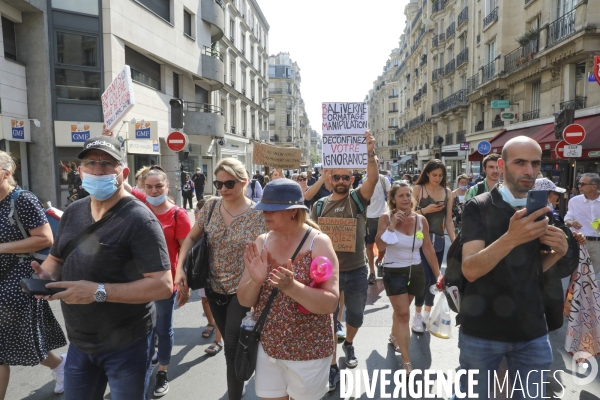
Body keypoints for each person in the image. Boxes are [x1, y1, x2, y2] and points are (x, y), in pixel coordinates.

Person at [32, 136, 173, 399]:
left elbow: (163, 286)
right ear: (81, 170)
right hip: (80, 341)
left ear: (124, 172)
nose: (98, 170)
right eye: (91, 163)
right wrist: (46, 277)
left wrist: (98, 291)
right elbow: (57, 259)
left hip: (127, 344)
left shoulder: (140, 220)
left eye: (108, 164)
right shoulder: (73, 212)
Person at [455, 136, 569, 399]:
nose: (529, 171)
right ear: (501, 165)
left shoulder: (541, 210)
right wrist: (511, 237)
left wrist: (557, 253)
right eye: (520, 162)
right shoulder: (479, 206)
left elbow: (532, 268)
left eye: (535, 163)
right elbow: (470, 269)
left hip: (532, 333)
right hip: (481, 333)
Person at [237, 178, 339, 400]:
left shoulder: (318, 243)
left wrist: (292, 287)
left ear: (293, 211)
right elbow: (245, 301)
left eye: (272, 209)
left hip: (309, 351)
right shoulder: (261, 242)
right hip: (268, 347)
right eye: (263, 208)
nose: (265, 213)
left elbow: (331, 302)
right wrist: (255, 280)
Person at [175, 158, 267, 400]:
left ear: (244, 182)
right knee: (230, 342)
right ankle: (242, 373)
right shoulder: (211, 207)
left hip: (243, 289)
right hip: (213, 286)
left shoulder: (259, 214)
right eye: (218, 184)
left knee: (232, 346)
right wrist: (179, 268)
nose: (223, 189)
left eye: (229, 183)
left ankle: (235, 393)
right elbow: (191, 239)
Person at [310, 130, 379, 391]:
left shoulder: (358, 199)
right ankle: (331, 366)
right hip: (327, 274)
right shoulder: (319, 207)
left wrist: (370, 153)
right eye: (336, 176)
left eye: (346, 177)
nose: (341, 180)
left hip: (357, 270)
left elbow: (373, 178)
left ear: (352, 179)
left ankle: (348, 344)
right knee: (327, 319)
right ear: (330, 178)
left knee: (357, 317)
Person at [0, 151, 67, 399]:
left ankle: (61, 365)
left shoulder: (23, 199)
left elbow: (45, 238)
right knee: (11, 343)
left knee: (22, 340)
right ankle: (61, 365)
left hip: (18, 278)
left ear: (7, 173)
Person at [126, 166, 192, 397]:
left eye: (159, 186)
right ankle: (144, 367)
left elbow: (186, 252)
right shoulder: (136, 209)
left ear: (167, 187)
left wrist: (185, 283)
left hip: (165, 284)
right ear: (143, 189)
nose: (154, 191)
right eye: (149, 187)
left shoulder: (177, 214)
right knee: (143, 329)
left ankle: (162, 370)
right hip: (136, 283)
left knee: (163, 329)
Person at [375, 182, 441, 374]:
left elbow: (427, 247)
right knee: (404, 314)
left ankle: (394, 336)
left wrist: (438, 274)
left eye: (408, 195)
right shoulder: (385, 218)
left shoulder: (421, 220)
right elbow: (380, 247)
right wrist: (393, 225)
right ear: (393, 199)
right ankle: (406, 361)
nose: (405, 198)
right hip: (394, 271)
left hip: (416, 271)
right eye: (401, 195)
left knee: (401, 311)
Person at [412, 159, 456, 332]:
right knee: (423, 277)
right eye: (434, 174)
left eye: (440, 175)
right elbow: (407, 214)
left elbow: (449, 221)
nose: (437, 178)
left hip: (438, 239)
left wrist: (455, 243)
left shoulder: (447, 192)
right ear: (427, 173)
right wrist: (425, 210)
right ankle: (416, 315)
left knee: (434, 280)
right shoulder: (419, 189)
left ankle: (426, 314)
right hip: (420, 238)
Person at [564, 173, 600, 280]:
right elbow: (567, 219)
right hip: (579, 241)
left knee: (591, 276)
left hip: (597, 244)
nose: (579, 186)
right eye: (579, 184)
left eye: (582, 184)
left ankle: (587, 296)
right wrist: (572, 222)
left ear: (594, 187)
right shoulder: (574, 201)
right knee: (576, 274)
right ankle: (574, 296)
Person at [362, 172, 391, 284]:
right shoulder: (364, 181)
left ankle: (378, 261)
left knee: (383, 246)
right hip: (369, 218)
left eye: (376, 162)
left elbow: (390, 196)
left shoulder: (384, 179)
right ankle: (372, 272)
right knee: (369, 245)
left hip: (382, 216)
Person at [198, 288, 223, 356]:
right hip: (207, 278)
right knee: (205, 299)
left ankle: (218, 340)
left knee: (219, 302)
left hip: (223, 279)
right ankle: (211, 323)